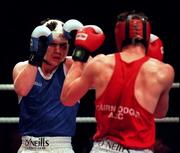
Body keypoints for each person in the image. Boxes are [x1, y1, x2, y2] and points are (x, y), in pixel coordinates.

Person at [60, 12, 175, 153]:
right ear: (146, 36)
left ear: (118, 34)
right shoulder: (163, 71)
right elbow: (160, 113)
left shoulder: (100, 63)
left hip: (103, 149)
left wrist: (80, 52)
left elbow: (67, 98)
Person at [12, 18, 83, 153]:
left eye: (63, 45)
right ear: (41, 44)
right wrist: (35, 57)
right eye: (52, 44)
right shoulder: (22, 67)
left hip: (61, 147)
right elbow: (22, 89)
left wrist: (83, 46)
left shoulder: (72, 66)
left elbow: (95, 70)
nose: (58, 50)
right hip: (28, 147)